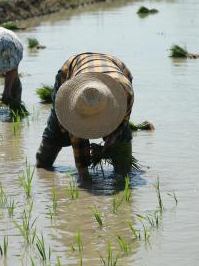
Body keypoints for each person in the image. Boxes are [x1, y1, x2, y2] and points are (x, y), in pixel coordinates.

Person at [35, 53, 134, 182]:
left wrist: (114, 135)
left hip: (115, 68)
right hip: (71, 70)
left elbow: (123, 118)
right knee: (54, 137)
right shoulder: (72, 102)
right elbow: (78, 142)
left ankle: (123, 171)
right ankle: (42, 163)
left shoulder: (124, 92)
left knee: (123, 157)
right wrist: (84, 176)